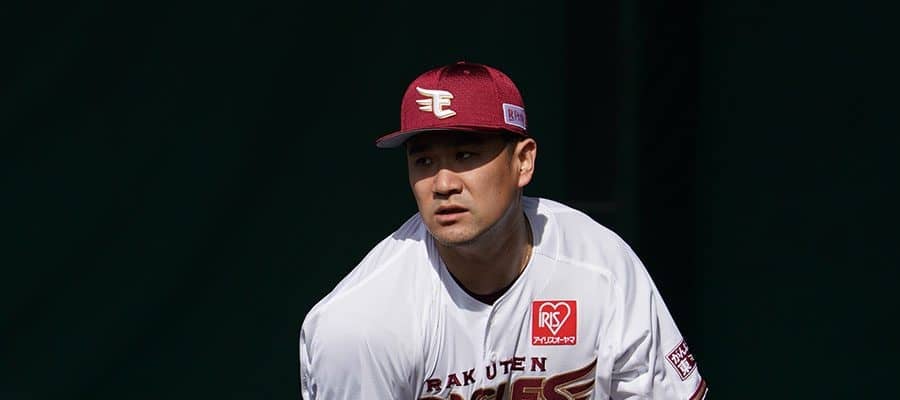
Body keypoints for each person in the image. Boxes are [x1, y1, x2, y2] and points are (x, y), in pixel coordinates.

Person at [299, 61, 708, 399]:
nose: (443, 184)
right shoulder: (359, 326)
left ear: (523, 162)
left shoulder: (600, 267)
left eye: (465, 154)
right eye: (423, 161)